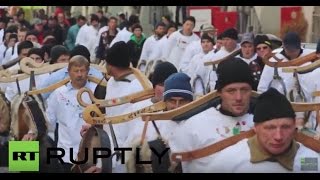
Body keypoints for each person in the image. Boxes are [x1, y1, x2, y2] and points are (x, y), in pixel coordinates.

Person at [168, 58, 255, 172]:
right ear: (219, 92)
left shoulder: (264, 124)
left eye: (244, 90)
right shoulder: (194, 125)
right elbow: (173, 162)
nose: (238, 97)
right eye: (231, 91)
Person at [209, 88, 320, 172]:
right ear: (255, 128)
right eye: (270, 128)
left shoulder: (309, 161)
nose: (278, 137)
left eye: (285, 127)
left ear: (294, 126)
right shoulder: (230, 160)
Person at [46, 55, 96, 173]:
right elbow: (50, 121)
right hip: (66, 153)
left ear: (88, 71)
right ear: (69, 72)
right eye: (76, 71)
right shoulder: (58, 94)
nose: (79, 74)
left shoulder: (96, 91)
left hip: (91, 154)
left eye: (82, 70)